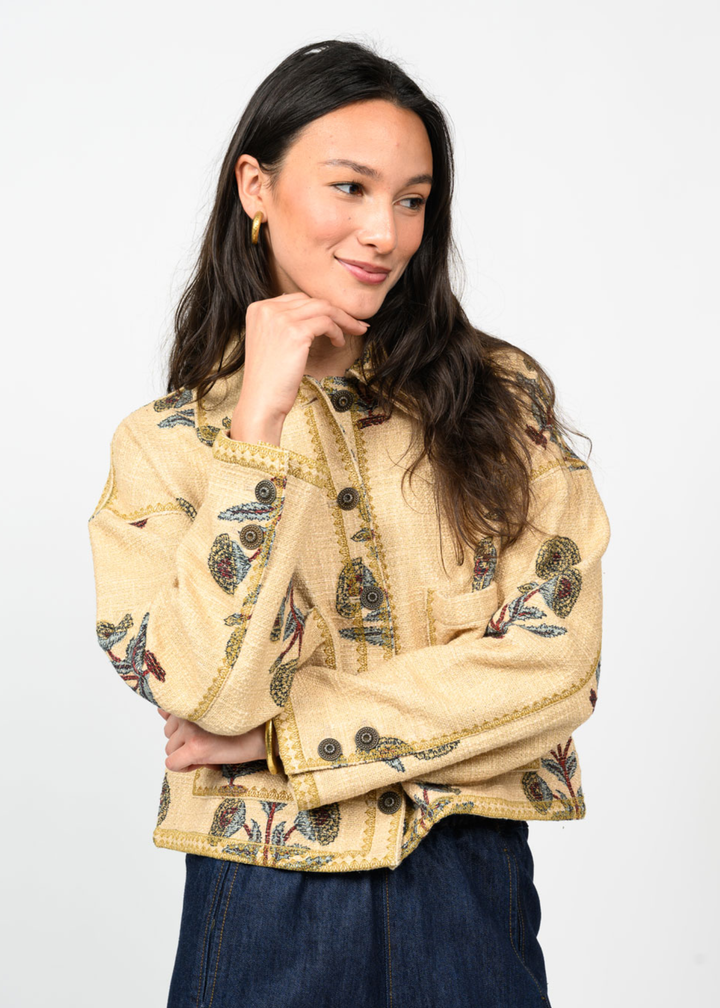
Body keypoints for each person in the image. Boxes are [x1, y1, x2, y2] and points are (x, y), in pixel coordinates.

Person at [88, 38, 610, 1008]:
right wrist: (260, 432)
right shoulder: (166, 447)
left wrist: (291, 738)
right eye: (352, 188)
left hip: (468, 888)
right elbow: (206, 697)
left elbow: (555, 664)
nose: (386, 231)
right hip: (262, 903)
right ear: (257, 186)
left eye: (412, 200)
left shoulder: (496, 401)